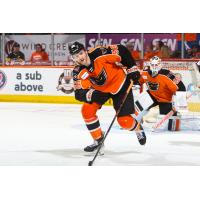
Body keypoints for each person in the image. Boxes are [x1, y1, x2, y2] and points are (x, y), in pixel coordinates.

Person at [68, 42, 146, 153]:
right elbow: (79, 94)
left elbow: (122, 50)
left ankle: (138, 128)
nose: (79, 58)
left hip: (120, 85)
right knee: (86, 110)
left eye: (80, 53)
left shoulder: (100, 53)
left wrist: (132, 68)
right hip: (101, 91)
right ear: (73, 58)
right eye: (75, 56)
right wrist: (94, 94)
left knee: (125, 122)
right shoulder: (78, 71)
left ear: (85, 51)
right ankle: (98, 139)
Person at [134, 56, 186, 131]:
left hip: (165, 99)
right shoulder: (145, 72)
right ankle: (133, 123)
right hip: (152, 95)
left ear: (160, 65)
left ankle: (174, 121)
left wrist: (181, 100)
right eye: (152, 65)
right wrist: (135, 83)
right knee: (137, 106)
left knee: (171, 127)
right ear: (150, 64)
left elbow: (180, 86)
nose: (154, 67)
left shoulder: (167, 74)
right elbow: (139, 81)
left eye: (156, 65)